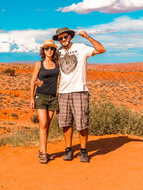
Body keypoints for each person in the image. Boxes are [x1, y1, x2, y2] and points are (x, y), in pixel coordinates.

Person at [51, 27, 106, 162]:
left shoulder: (81, 48)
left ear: (70, 36)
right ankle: (68, 149)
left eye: (65, 37)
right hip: (63, 92)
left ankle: (83, 151)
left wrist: (87, 37)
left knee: (82, 123)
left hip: (79, 91)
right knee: (66, 123)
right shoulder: (57, 53)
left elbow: (101, 49)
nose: (63, 40)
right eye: (60, 38)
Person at [30, 39, 60, 164]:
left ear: (54, 51)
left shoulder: (57, 64)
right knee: (43, 124)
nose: (49, 50)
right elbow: (33, 81)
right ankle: (43, 154)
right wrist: (31, 98)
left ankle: (42, 150)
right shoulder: (39, 64)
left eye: (51, 48)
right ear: (43, 50)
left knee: (47, 125)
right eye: (47, 48)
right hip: (41, 96)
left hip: (53, 98)